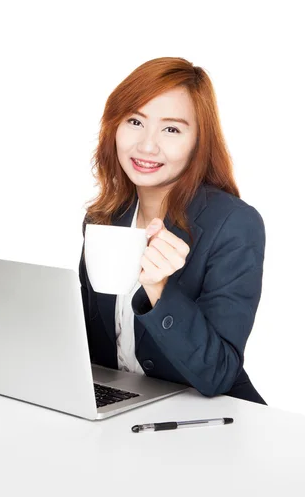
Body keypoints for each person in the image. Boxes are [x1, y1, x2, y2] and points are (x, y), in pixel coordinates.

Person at [79, 57, 267, 405]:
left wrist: (160, 290)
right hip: (125, 414)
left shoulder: (234, 225)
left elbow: (219, 373)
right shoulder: (104, 217)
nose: (147, 146)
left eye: (171, 129)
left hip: (214, 421)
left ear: (199, 141)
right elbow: (91, 346)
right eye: (135, 121)